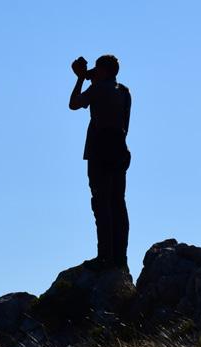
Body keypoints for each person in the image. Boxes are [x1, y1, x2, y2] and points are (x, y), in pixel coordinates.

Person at [69, 55, 132, 271]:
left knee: (101, 204)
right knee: (118, 204)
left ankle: (104, 256)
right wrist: (86, 75)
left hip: (100, 150)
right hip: (119, 149)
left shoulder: (97, 89)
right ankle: (120, 258)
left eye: (98, 69)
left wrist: (79, 79)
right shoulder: (124, 91)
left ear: (104, 71)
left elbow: (74, 103)